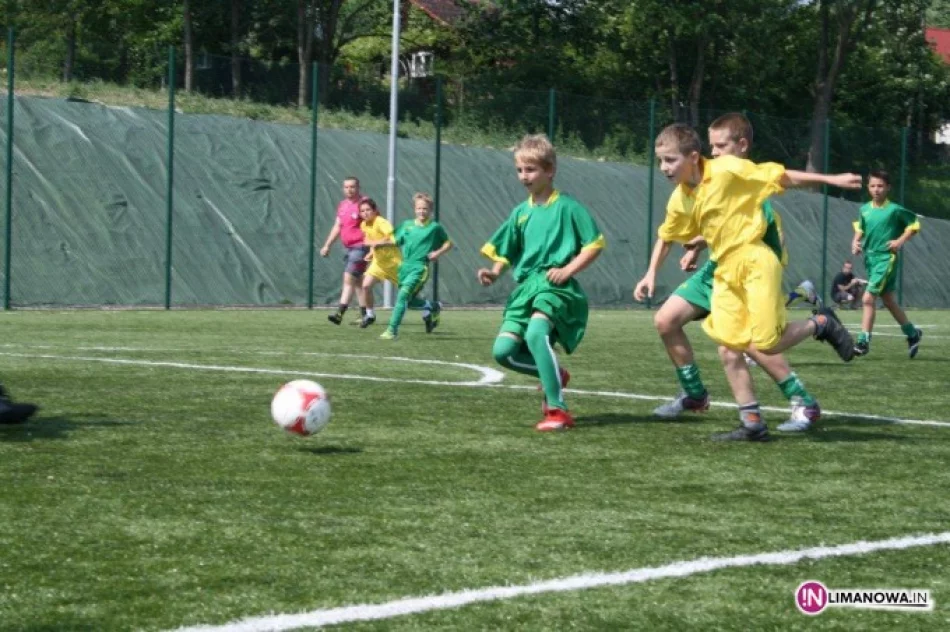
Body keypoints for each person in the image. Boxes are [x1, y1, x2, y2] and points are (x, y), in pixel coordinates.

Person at [648, 123, 860, 441]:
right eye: (712, 146)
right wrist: (666, 264)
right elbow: (675, 232)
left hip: (753, 263)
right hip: (721, 270)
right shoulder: (684, 194)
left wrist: (829, 179)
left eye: (720, 146)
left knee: (761, 343)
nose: (715, 152)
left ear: (741, 147)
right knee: (726, 345)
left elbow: (778, 182)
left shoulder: (736, 173)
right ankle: (751, 422)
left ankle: (818, 330)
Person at [477, 134, 605, 432]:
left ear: (550, 170)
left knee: (536, 335)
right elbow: (507, 250)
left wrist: (568, 269)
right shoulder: (520, 213)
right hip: (525, 288)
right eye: (520, 170)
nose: (524, 176)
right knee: (503, 352)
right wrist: (494, 273)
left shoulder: (569, 208)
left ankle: (558, 411)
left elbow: (594, 244)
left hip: (554, 285)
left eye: (531, 169)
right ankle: (555, 374)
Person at [851, 170, 922, 357]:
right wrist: (855, 241)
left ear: (888, 188)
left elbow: (914, 224)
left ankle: (863, 341)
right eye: (873, 185)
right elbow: (861, 227)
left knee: (868, 298)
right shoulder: (864, 209)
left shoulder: (894, 210)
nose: (876, 189)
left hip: (886, 259)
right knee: (889, 301)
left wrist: (899, 241)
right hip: (870, 259)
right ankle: (912, 334)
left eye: (880, 186)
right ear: (868, 188)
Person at [380, 192, 453, 340]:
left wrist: (437, 253)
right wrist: (375, 245)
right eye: (419, 208)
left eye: (425, 209)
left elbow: (448, 243)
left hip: (420, 268)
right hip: (404, 267)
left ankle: (391, 331)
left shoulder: (434, 228)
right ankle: (433, 306)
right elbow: (395, 240)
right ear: (414, 209)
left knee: (401, 297)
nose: (421, 211)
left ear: (430, 210)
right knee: (410, 302)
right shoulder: (406, 225)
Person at [320, 176, 369, 325]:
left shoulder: (364, 204)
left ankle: (340, 313)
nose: (349, 190)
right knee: (358, 283)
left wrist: (373, 247)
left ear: (358, 187)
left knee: (348, 279)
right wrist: (327, 245)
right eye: (346, 187)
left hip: (360, 247)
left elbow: (374, 223)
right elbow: (338, 226)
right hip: (349, 248)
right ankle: (366, 315)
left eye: (352, 186)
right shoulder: (343, 205)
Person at [357, 197, 400, 328]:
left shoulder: (381, 222)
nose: (365, 213)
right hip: (378, 263)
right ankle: (370, 315)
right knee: (365, 286)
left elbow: (394, 239)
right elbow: (370, 241)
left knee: (410, 296)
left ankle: (430, 307)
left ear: (375, 211)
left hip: (393, 263)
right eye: (362, 211)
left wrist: (377, 243)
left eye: (368, 210)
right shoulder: (364, 225)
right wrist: (371, 252)